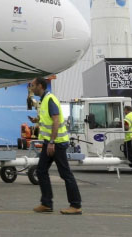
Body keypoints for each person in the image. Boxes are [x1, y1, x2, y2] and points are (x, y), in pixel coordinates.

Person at [30, 77, 82, 215]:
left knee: (65, 174)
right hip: (50, 142)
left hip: (57, 143)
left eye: (33, 85)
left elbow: (56, 120)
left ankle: (75, 205)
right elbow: (48, 118)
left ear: (40, 86)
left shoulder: (50, 99)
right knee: (41, 171)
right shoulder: (44, 100)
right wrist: (36, 120)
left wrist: (52, 142)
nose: (31, 87)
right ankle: (46, 203)